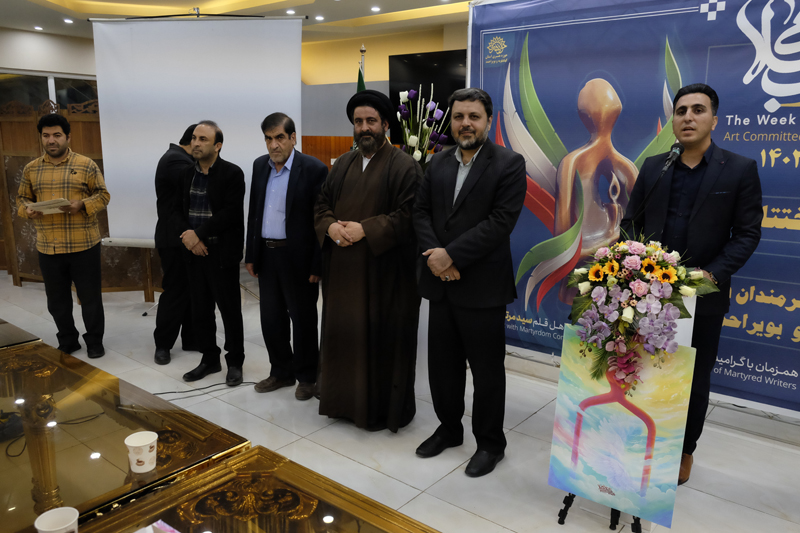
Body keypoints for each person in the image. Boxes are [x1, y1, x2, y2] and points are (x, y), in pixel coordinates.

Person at [621, 83, 762, 485]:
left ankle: (684, 449)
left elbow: (747, 233)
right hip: (648, 294)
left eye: (698, 110)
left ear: (714, 120)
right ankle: (643, 435)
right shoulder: (655, 166)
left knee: (694, 377)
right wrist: (635, 267)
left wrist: (712, 275)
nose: (688, 117)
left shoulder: (739, 169)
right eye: (681, 110)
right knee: (643, 367)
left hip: (702, 296)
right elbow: (631, 222)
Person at [413, 88, 526, 477]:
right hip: (441, 284)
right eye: (459, 116)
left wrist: (451, 255)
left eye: (473, 116)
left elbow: (500, 222)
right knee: (442, 368)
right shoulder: (438, 161)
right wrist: (437, 258)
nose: (465, 123)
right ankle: (449, 429)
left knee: (486, 373)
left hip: (483, 288)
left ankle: (491, 444)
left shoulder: (509, 163)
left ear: (488, 121)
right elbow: (420, 213)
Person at [313, 89, 422, 431]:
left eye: (371, 121)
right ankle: (342, 403)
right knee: (344, 338)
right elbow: (321, 205)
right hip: (342, 276)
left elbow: (411, 216)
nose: (364, 128)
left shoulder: (404, 166)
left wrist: (366, 229)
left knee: (380, 344)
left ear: (386, 125)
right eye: (358, 121)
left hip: (383, 279)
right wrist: (331, 227)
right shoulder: (342, 164)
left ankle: (378, 412)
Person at [245, 113, 327, 400]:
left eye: (279, 137)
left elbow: (321, 221)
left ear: (293, 138)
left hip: (299, 259)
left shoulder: (314, 169)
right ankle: (281, 372)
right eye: (268, 139)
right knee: (271, 319)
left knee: (303, 320)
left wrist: (318, 263)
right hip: (267, 256)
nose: (274, 145)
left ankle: (307, 377)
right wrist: (251, 253)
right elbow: (254, 213)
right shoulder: (260, 166)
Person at [17, 113, 111, 358]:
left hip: (83, 244)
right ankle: (68, 340)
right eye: (46, 135)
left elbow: (103, 196)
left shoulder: (86, 164)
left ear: (68, 137)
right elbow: (22, 198)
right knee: (57, 301)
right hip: (49, 246)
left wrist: (82, 205)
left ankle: (94, 342)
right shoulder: (31, 168)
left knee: (90, 298)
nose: (51, 140)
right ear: (41, 138)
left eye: (57, 135)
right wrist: (27, 210)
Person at [176, 121, 246, 387]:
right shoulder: (186, 174)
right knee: (200, 310)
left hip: (221, 253)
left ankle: (235, 362)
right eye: (194, 138)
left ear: (217, 146)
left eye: (203, 139)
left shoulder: (232, 173)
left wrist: (198, 234)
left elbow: (230, 213)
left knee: (229, 310)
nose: (196, 143)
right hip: (194, 252)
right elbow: (176, 210)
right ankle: (209, 359)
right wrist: (189, 237)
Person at [153, 124, 197, 365]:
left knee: (191, 291)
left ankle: (191, 339)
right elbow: (197, 182)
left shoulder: (180, 157)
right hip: (173, 239)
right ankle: (163, 344)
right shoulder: (175, 159)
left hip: (185, 237)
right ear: (192, 141)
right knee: (176, 292)